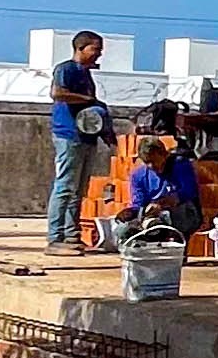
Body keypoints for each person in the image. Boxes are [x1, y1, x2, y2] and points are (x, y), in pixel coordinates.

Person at [46, 31, 111, 253]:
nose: (99, 54)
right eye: (95, 49)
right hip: (69, 136)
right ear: (80, 48)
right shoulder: (66, 69)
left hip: (87, 137)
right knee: (65, 187)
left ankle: (71, 235)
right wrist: (88, 99)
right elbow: (58, 93)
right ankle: (55, 237)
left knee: (79, 190)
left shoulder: (86, 74)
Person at [120, 135, 195, 245]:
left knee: (180, 211)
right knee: (123, 228)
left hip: (180, 212)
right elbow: (138, 204)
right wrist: (134, 212)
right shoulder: (138, 176)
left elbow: (190, 191)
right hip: (151, 217)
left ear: (164, 155)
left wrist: (163, 204)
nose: (151, 166)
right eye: (147, 162)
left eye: (154, 161)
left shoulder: (180, 166)